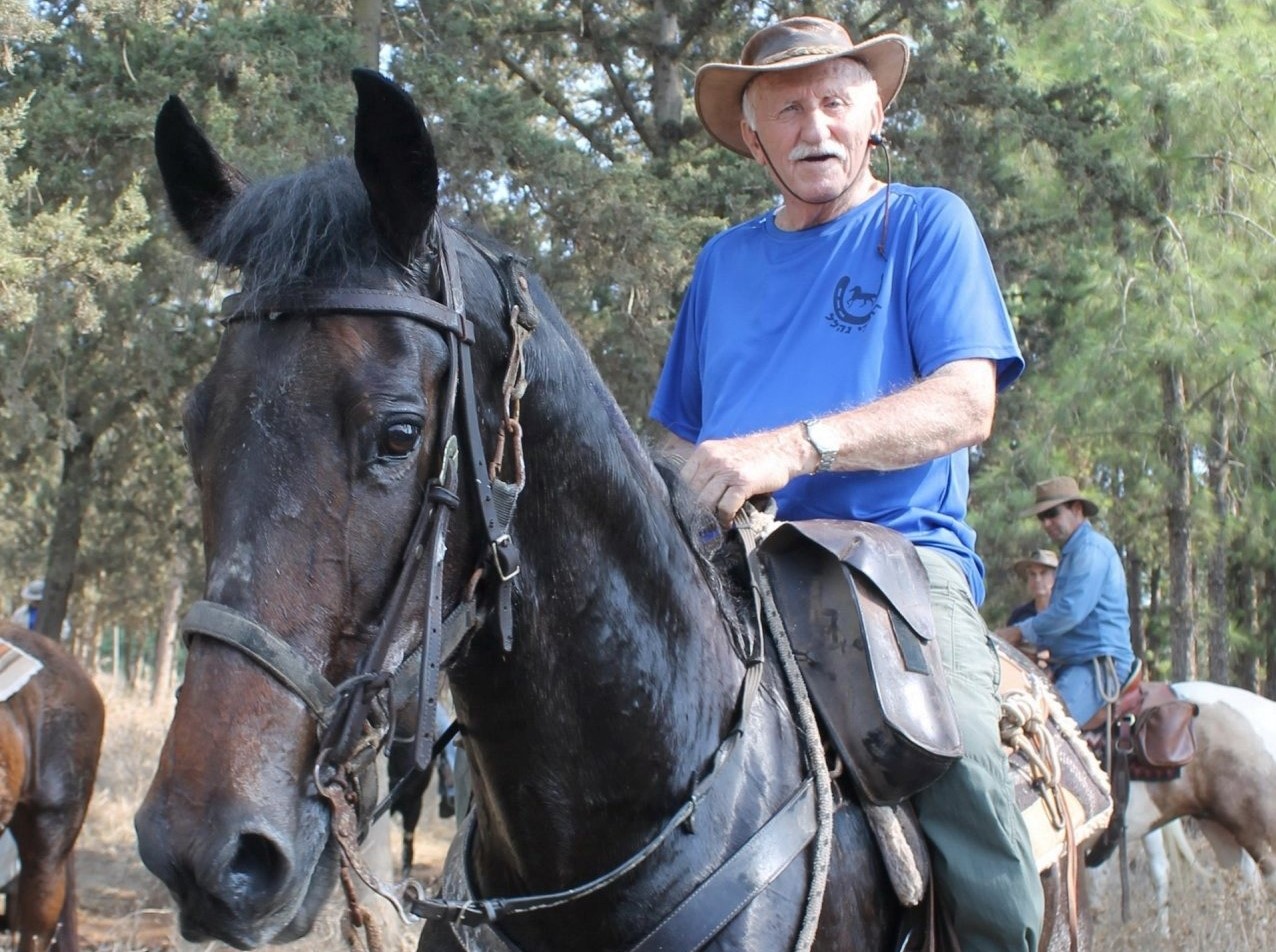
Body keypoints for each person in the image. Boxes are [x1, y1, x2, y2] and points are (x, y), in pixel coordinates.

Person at [650, 16, 1042, 950]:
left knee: (958, 762)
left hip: (890, 567)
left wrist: (796, 448)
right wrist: (680, 483)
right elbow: (674, 432)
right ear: (753, 137)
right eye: (787, 109)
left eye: (836, 101)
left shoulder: (924, 223)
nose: (814, 126)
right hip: (728, 568)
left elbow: (964, 402)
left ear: (874, 117)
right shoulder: (723, 264)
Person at [995, 476, 1136, 726]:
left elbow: (1069, 613)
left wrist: (1019, 631)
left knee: (1047, 732)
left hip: (1096, 666)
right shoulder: (1075, 552)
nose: (1047, 523)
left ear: (1077, 509)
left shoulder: (1091, 550)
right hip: (1076, 662)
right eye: (1042, 517)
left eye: (1052, 514)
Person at [1006, 548, 1058, 626]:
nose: (1037, 579)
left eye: (1043, 573)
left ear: (1055, 577)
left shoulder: (1066, 612)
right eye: (1032, 574)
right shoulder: (1019, 615)